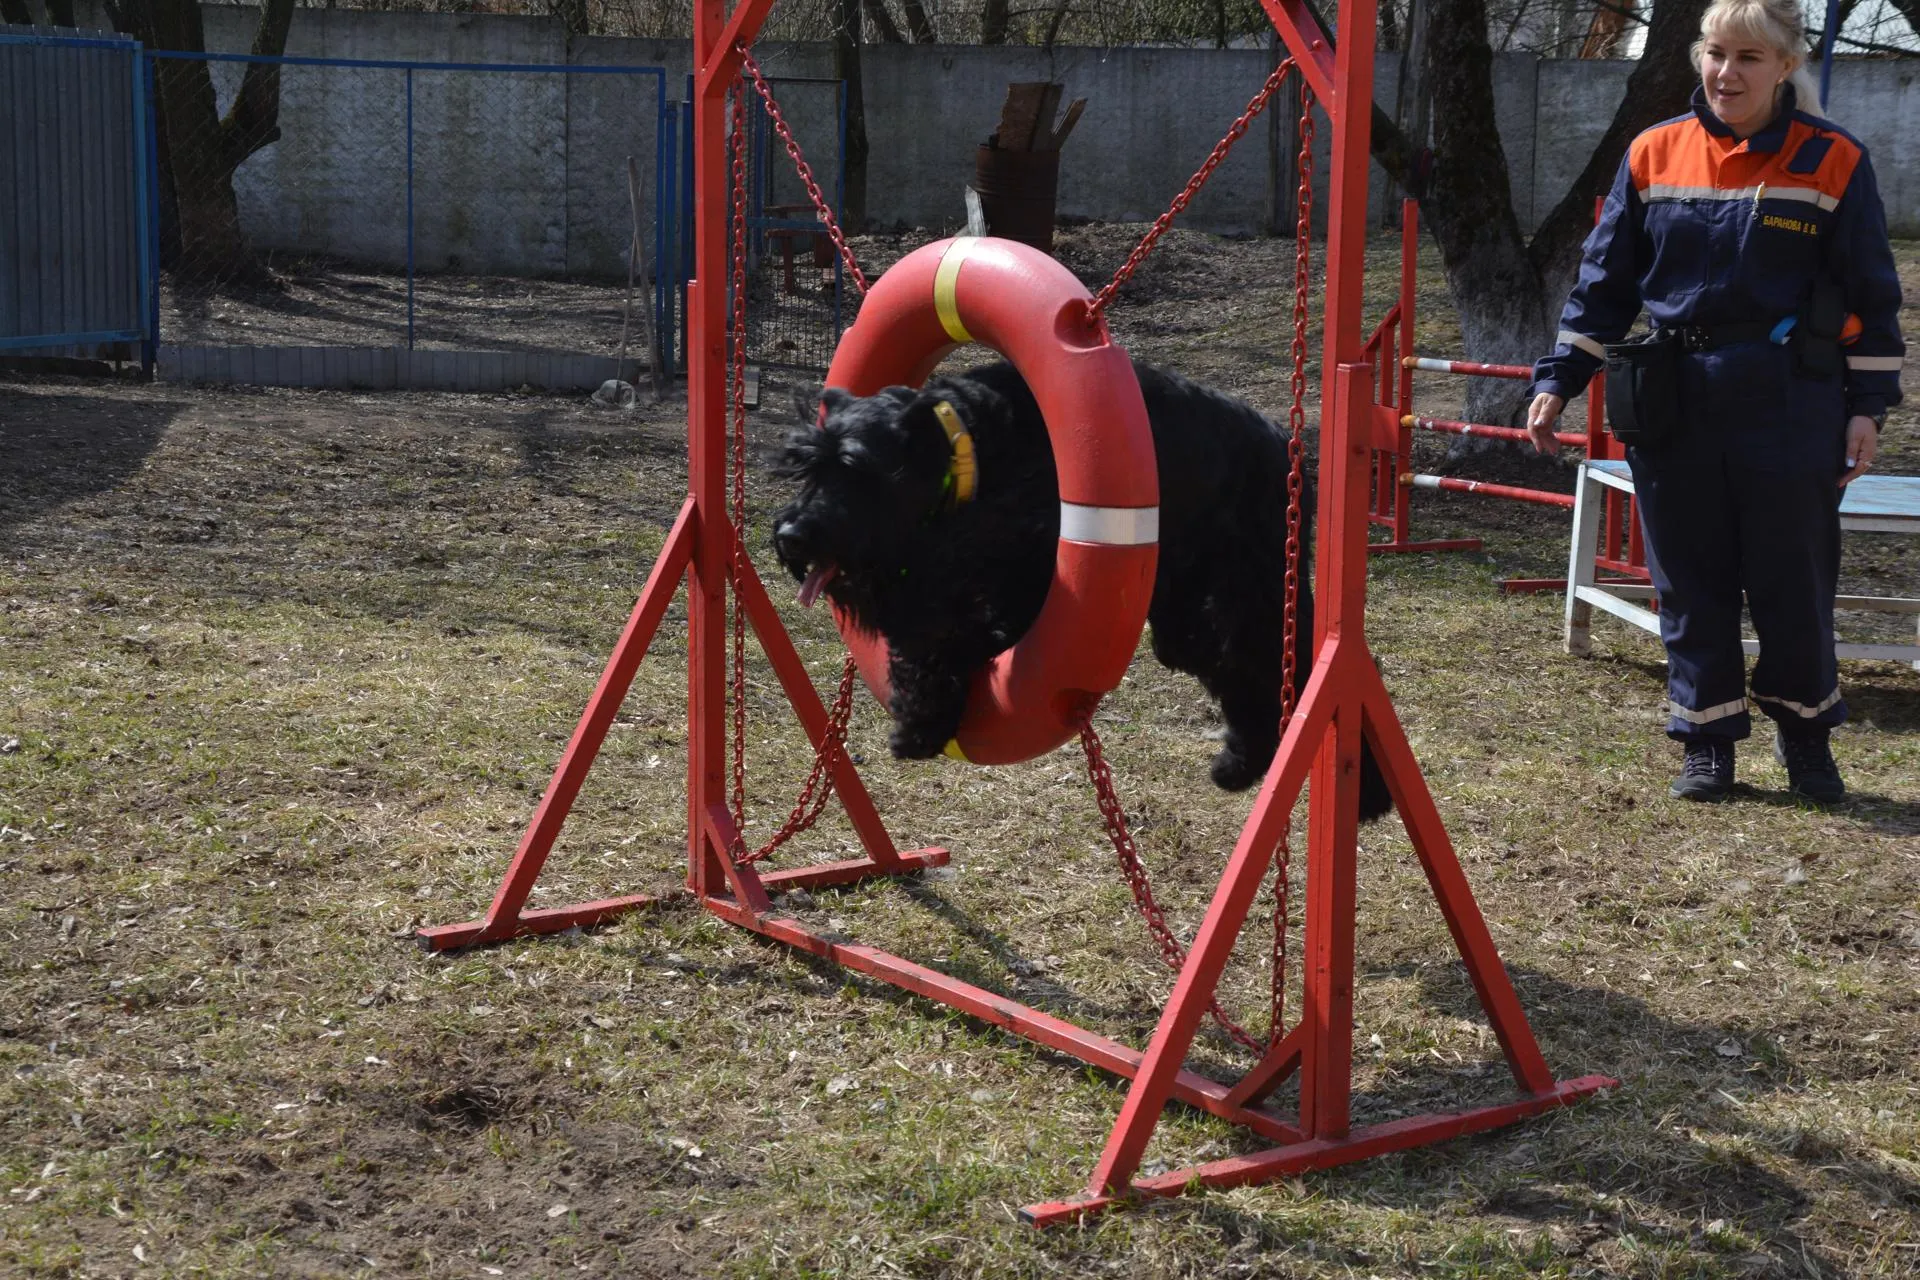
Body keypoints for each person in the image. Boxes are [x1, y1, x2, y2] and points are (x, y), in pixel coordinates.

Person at [1527, 0, 1904, 806]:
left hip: (1791, 403)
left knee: (1791, 578)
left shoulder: (1833, 159)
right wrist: (1560, 379)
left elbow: (1873, 294)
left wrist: (1868, 404)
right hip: (1674, 399)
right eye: (1716, 53)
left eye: (1750, 59)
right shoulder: (1653, 152)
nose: (1727, 73)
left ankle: (1806, 739)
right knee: (1689, 580)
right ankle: (1706, 742)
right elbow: (1605, 283)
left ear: (1785, 67)